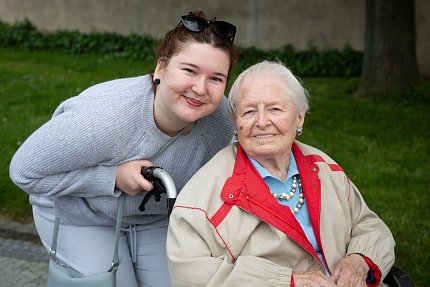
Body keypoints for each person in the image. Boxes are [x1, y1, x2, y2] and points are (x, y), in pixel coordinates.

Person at [9, 11, 239, 287]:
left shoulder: (221, 121)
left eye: (216, 78)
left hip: (151, 217)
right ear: (161, 69)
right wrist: (113, 177)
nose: (200, 88)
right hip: (82, 210)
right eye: (189, 70)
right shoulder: (106, 116)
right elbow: (24, 172)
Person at [167, 61, 396, 287]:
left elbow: (367, 223)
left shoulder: (324, 168)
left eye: (275, 109)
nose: (262, 122)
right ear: (236, 124)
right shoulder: (201, 199)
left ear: (299, 118)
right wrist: (287, 282)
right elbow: (190, 275)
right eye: (249, 111)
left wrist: (359, 260)